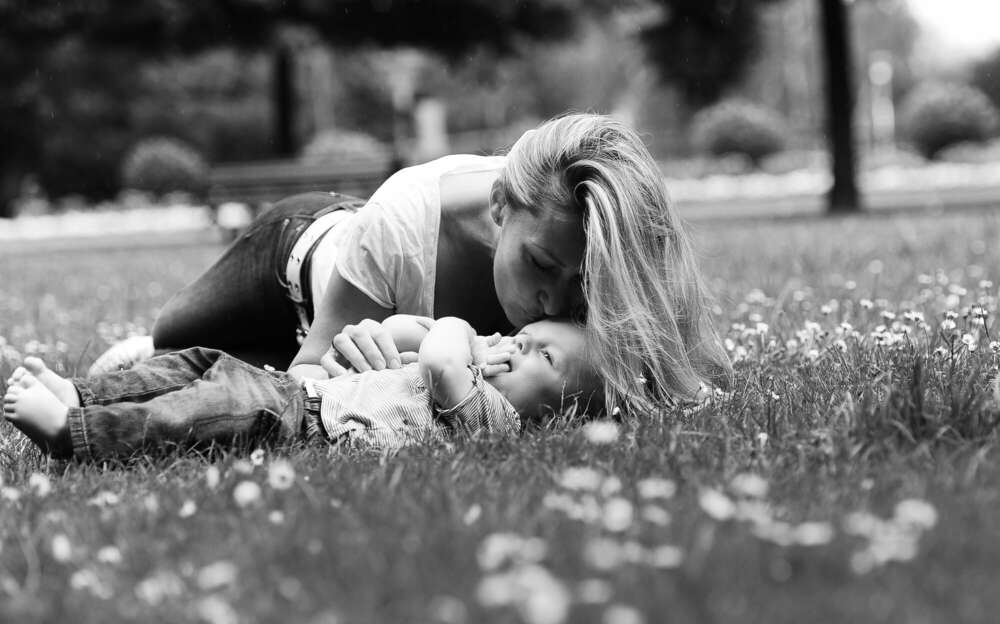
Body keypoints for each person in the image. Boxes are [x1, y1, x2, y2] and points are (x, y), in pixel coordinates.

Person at [91, 113, 731, 415]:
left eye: (580, 280)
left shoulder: (604, 235)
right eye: (539, 265)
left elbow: (692, 369)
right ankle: (145, 346)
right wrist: (343, 354)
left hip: (361, 270)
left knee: (247, 368)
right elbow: (306, 379)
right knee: (175, 344)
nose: (558, 304)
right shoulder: (406, 220)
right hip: (299, 252)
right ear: (500, 207)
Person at [4, 316, 603, 461]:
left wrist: (459, 330)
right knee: (192, 365)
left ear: (559, 412)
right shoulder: (466, 372)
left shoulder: (493, 419)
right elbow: (399, 335)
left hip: (301, 421)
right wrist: (427, 329)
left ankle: (72, 433)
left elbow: (442, 358)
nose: (518, 346)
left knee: (190, 414)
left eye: (543, 355)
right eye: (524, 335)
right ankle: (84, 394)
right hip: (287, 388)